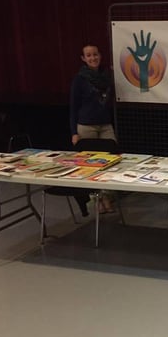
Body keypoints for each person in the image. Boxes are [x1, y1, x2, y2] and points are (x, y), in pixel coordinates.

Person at [70, 45, 117, 216]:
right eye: (88, 55)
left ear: (100, 55)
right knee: (90, 166)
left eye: (95, 54)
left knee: (112, 161)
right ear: (83, 58)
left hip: (105, 125)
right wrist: (74, 132)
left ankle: (106, 197)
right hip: (86, 126)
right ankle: (96, 199)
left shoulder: (107, 76)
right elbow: (73, 107)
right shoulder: (79, 79)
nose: (93, 58)